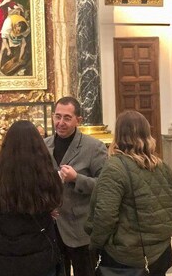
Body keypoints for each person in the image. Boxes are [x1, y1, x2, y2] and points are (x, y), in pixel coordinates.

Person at [85, 110, 172, 276]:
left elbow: (105, 216)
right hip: (160, 253)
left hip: (126, 257)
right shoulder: (160, 165)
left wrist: (95, 244)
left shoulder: (115, 167)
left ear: (119, 134)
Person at [0, 120, 63, 276]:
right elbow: (54, 204)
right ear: (39, 147)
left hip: (3, 257)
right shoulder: (49, 178)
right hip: (40, 256)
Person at [44, 97, 108, 276]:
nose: (60, 123)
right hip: (52, 229)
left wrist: (76, 178)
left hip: (80, 231)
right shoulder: (44, 145)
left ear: (78, 120)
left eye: (67, 118)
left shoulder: (94, 147)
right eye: (57, 117)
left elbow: (104, 186)